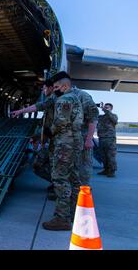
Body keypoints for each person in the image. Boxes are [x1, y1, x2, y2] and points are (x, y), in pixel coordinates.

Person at [42, 77, 83, 230]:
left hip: (65, 143)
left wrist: (48, 131)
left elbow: (60, 121)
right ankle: (74, 213)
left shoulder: (64, 99)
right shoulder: (76, 98)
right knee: (73, 178)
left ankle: (62, 218)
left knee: (60, 179)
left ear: (65, 86)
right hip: (75, 142)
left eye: (57, 86)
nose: (55, 89)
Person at [97, 103, 118, 177]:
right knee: (103, 156)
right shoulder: (101, 117)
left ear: (111, 109)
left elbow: (114, 121)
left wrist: (106, 111)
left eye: (107, 107)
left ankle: (112, 171)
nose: (105, 108)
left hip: (110, 139)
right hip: (101, 138)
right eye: (105, 107)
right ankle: (106, 169)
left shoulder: (114, 116)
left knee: (110, 156)